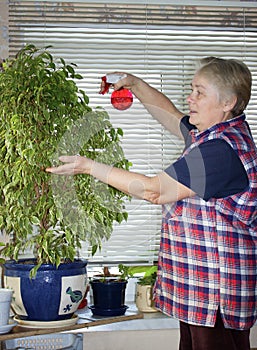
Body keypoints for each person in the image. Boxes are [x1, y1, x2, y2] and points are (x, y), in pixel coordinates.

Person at [46, 57, 257, 350]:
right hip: (201, 289)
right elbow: (170, 115)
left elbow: (153, 190)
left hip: (215, 295)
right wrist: (134, 83)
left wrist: (89, 166)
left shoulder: (219, 152)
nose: (190, 97)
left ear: (228, 102)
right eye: (191, 89)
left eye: (199, 92)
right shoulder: (211, 134)